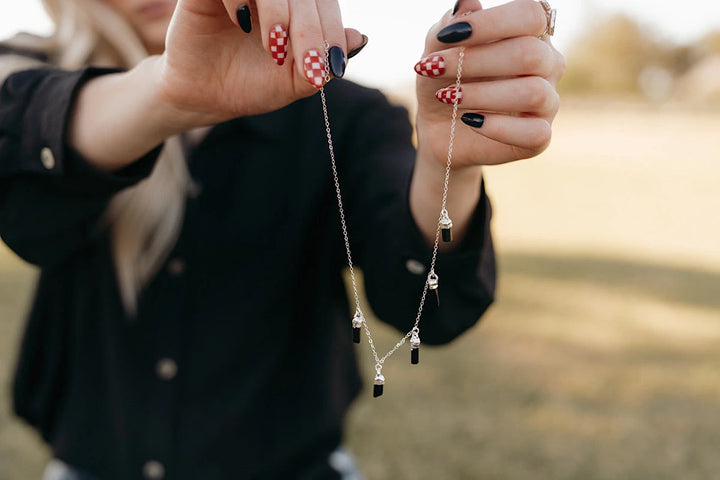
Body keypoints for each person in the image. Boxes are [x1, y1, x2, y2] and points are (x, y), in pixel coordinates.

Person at [0, 0, 564, 478]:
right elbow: (22, 187)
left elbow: (425, 306)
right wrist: (170, 94)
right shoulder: (32, 75)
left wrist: (450, 169)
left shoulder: (345, 116)